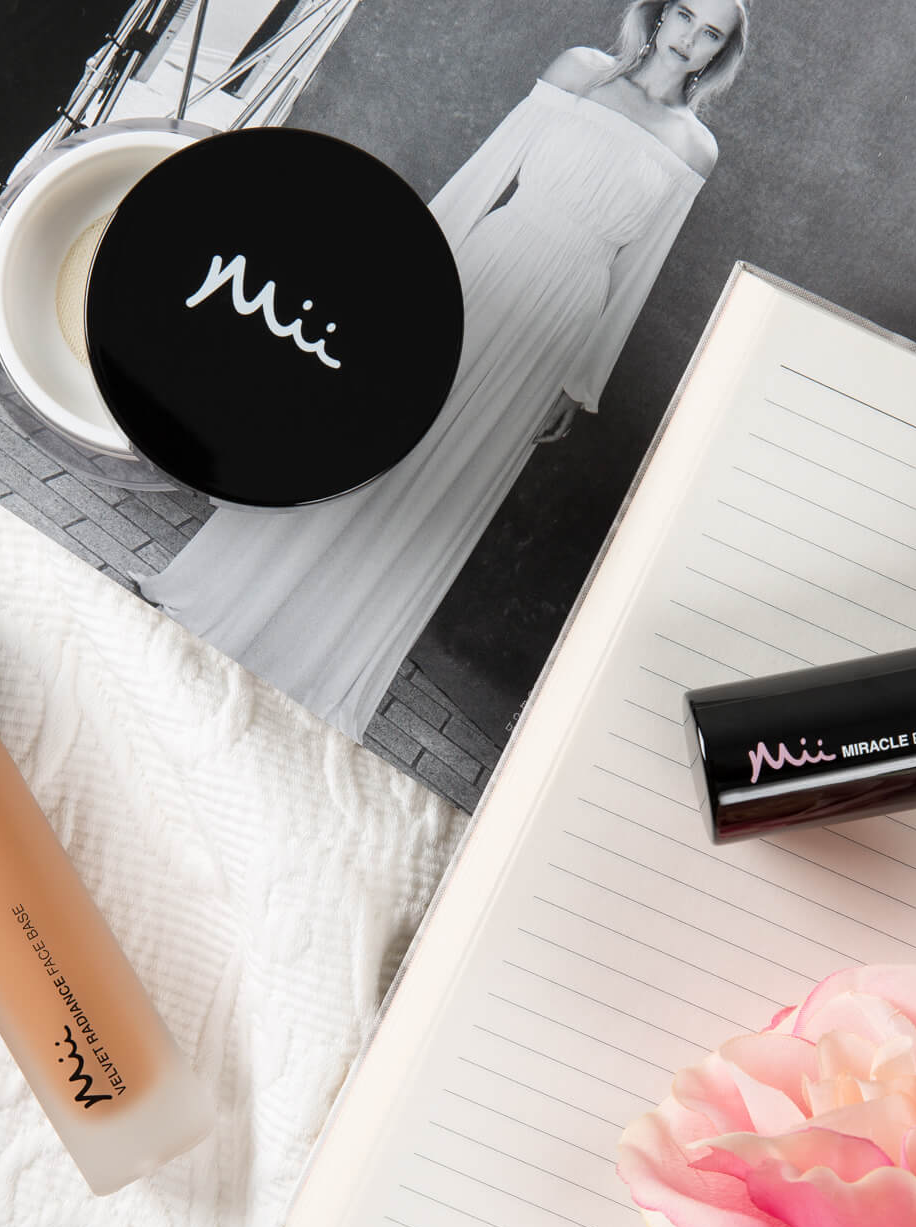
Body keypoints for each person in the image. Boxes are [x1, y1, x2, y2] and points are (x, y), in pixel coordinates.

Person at [139, 0, 751, 739]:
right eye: (685, 15)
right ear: (659, 15)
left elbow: (637, 271)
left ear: (721, 53)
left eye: (711, 33)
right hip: (482, 269)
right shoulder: (582, 72)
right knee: (370, 444)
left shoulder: (696, 149)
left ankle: (319, 662)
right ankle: (228, 596)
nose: (690, 38)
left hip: (561, 318)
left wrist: (582, 380)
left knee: (442, 486)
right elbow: (487, 172)